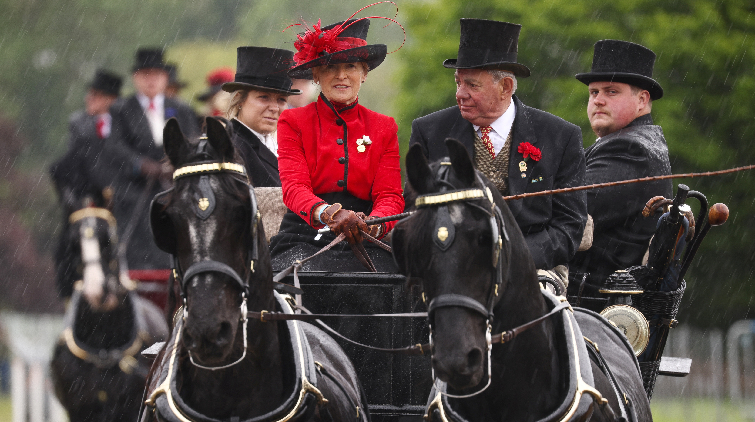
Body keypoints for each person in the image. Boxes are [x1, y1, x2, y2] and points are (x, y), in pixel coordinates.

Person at [409, 19, 587, 285]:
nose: (460, 94)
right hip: (451, 268)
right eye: (457, 82)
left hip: (533, 272)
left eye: (472, 85)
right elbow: (415, 210)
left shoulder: (561, 137)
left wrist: (508, 255)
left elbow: (569, 227)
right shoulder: (429, 131)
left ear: (505, 87)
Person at [270, 18, 404, 273]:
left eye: (351, 66)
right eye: (332, 67)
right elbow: (294, 188)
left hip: (367, 239)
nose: (341, 76)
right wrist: (329, 214)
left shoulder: (384, 126)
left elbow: (391, 196)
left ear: (364, 74)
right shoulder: (292, 121)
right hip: (304, 236)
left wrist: (373, 225)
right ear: (316, 75)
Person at [568, 40, 673, 290]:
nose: (598, 100)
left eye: (611, 91)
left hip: (588, 304)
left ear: (641, 100)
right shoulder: (639, 142)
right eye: (594, 92)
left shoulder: (631, 150)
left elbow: (566, 210)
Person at [98, 48, 199, 270]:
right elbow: (114, 147)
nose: (152, 80)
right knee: (139, 230)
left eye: (157, 75)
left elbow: (193, 141)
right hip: (136, 189)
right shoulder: (121, 110)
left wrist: (175, 166)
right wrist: (142, 165)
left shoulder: (181, 109)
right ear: (136, 78)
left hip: (173, 186)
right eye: (146, 75)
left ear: (165, 78)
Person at [49, 69, 122, 298]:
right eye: (90, 94)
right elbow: (70, 166)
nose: (89, 99)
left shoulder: (123, 124)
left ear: (112, 100)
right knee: (71, 244)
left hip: (121, 197)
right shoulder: (79, 125)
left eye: (97, 95)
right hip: (89, 200)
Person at [221, 47, 300, 187]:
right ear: (240, 100)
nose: (274, 108)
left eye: (281, 99)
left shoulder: (284, 145)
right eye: (264, 97)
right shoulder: (230, 147)